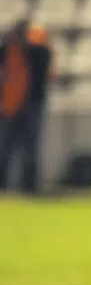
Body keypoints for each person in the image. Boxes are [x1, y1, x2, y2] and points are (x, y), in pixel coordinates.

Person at [0, 19, 54, 195]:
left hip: (32, 104)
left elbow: (42, 67)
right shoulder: (8, 51)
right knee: (6, 146)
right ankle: (3, 183)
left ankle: (29, 185)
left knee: (30, 147)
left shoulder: (39, 52)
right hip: (10, 104)